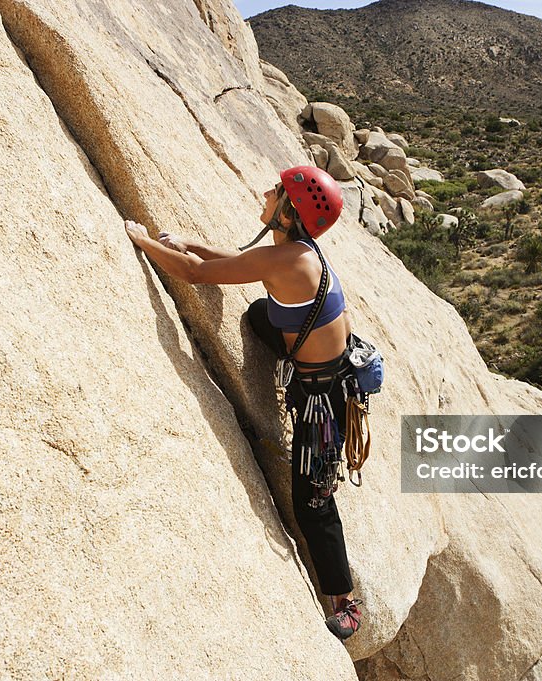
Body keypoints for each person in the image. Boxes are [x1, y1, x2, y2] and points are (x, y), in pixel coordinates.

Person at [124, 165, 363, 640]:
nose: (265, 191)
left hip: (324, 399)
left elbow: (196, 276)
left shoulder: (288, 262)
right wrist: (190, 241)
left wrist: (140, 239)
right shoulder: (296, 250)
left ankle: (345, 600)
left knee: (312, 501)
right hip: (330, 366)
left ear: (290, 210)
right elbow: (238, 260)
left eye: (275, 191)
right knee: (259, 314)